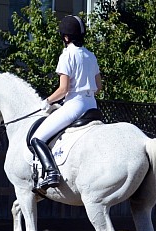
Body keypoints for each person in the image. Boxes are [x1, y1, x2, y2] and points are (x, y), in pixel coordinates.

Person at [31, 15, 102, 192]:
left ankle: (51, 172)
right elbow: (99, 86)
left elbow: (63, 89)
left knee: (37, 138)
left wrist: (47, 101)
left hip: (74, 106)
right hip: (92, 105)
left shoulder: (67, 55)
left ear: (66, 37)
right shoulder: (91, 56)